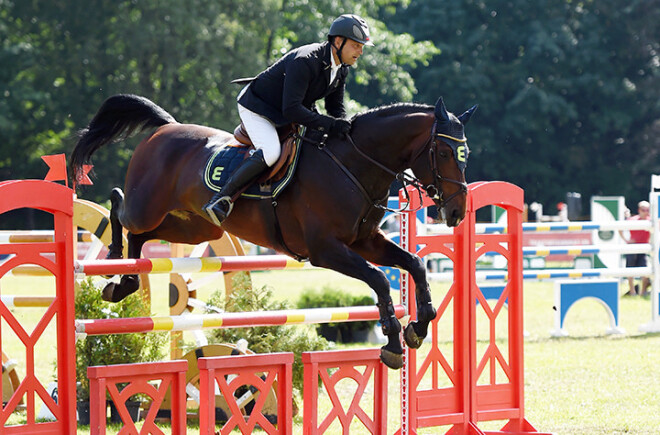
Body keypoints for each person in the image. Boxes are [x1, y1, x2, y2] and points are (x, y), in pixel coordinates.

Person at [204, 14, 373, 226]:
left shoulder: (341, 69)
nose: (361, 51)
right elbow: (292, 109)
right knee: (271, 152)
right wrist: (330, 124)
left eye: (362, 46)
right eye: (356, 45)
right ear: (338, 42)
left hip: (287, 111)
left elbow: (335, 107)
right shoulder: (306, 61)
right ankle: (221, 199)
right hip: (259, 107)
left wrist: (344, 128)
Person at [622, 200, 651, 296]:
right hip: (632, 248)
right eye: (644, 210)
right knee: (630, 271)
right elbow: (619, 228)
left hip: (644, 249)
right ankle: (632, 292)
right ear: (639, 210)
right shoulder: (632, 220)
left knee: (646, 271)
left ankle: (643, 292)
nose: (646, 212)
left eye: (648, 210)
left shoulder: (651, 221)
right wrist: (626, 240)